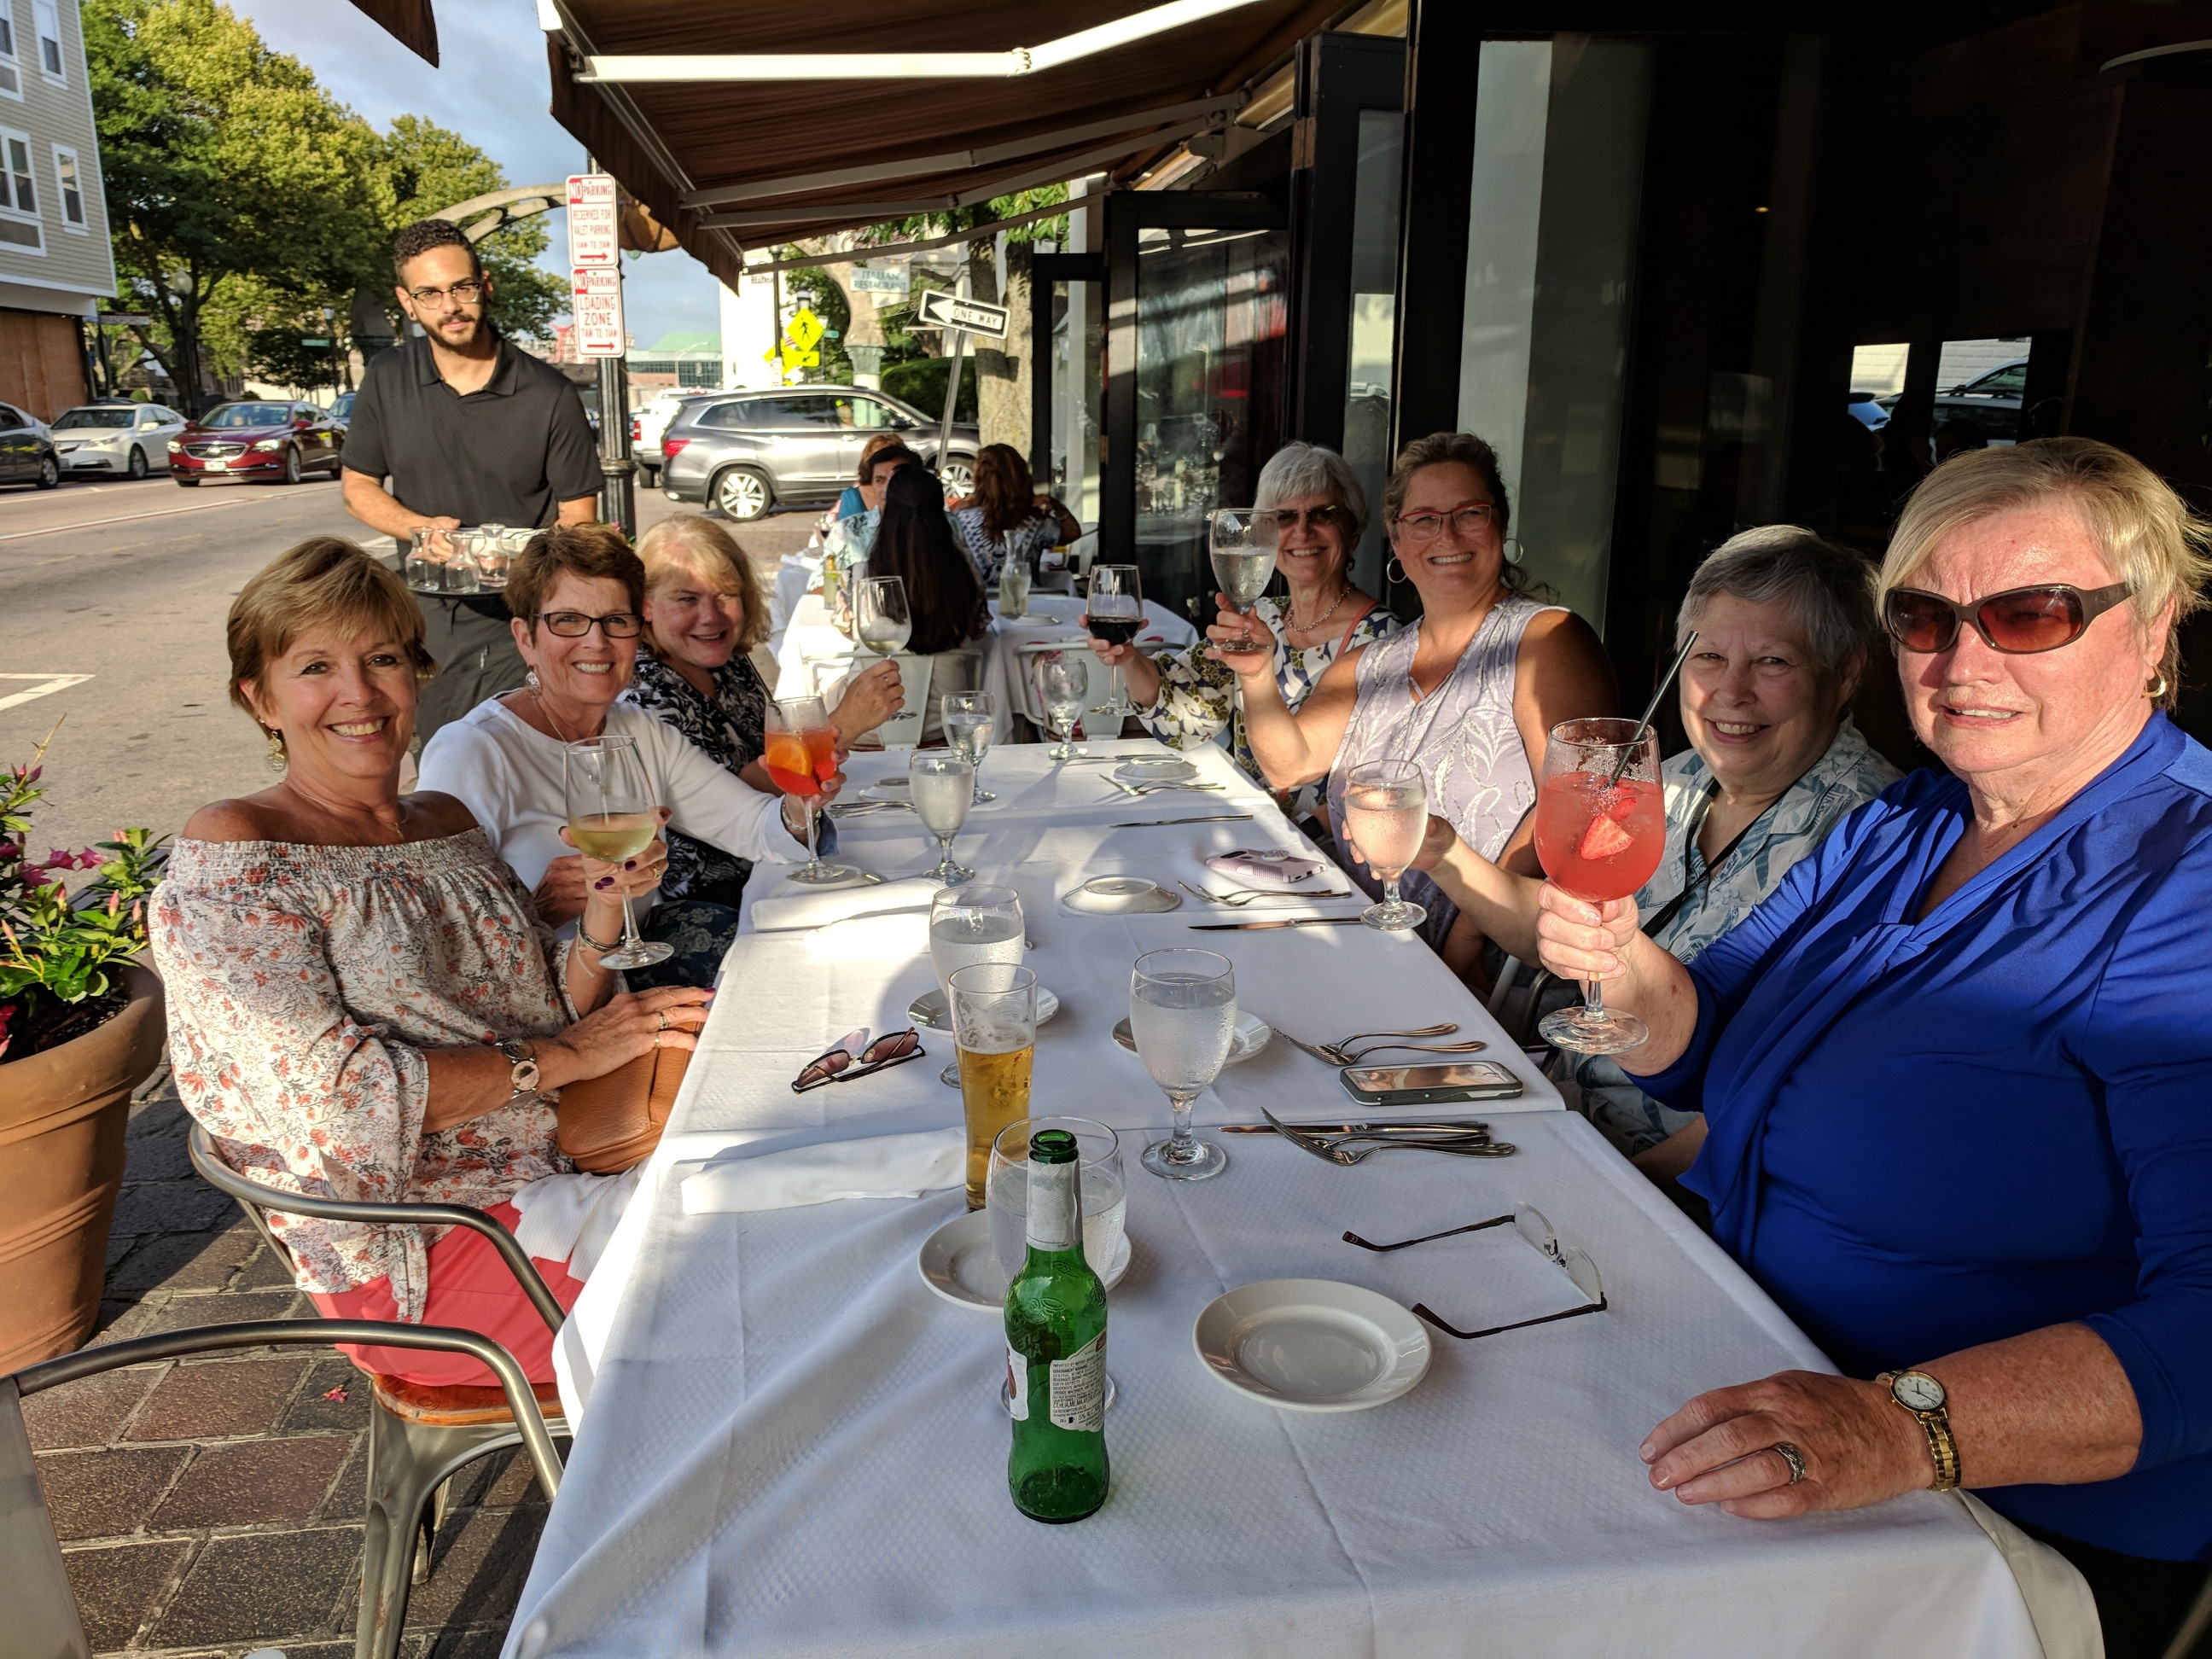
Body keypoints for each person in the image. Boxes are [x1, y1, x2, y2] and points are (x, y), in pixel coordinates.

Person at [1533, 438, 2212, 1657]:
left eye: (2031, 613)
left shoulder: (2187, 886)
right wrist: (1617, 952)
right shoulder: (1912, 819)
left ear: (2153, 626)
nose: (1964, 661)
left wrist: (1900, 1427)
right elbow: (1698, 1043)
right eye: (1926, 617)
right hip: (1739, 1361)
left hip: (1989, 1516)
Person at [150, 538, 706, 1388]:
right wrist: (567, 1056)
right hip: (427, 1248)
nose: (359, 694)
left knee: (794, 1174)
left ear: (416, 676)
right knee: (752, 1281)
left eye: (383, 659)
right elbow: (341, 1102)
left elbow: (540, 1004)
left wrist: (603, 915)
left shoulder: (444, 820)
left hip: (563, 1164)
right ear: (259, 698)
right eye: (316, 668)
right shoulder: (239, 850)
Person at [1380, 525, 1900, 1169]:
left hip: (1658, 1174)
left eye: (1773, 662)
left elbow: (1786, 1096)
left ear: (1845, 674)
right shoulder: (1666, 781)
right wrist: (1443, 854)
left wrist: (1623, 1192)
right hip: (1559, 1111)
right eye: (1708, 657)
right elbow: (1568, 930)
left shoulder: (1877, 839)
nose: (1731, 692)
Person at [1224, 431, 1615, 965]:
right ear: (1397, 539)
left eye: (1469, 513)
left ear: (1500, 524)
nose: (1447, 535)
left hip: (1488, 967)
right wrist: (1255, 676)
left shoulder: (1546, 640)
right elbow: (1286, 764)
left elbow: (1580, 803)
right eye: (1425, 519)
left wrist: (1469, 937)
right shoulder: (1370, 664)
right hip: (1359, 944)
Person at [417, 525, 831, 988]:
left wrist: (802, 804)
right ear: (525, 637)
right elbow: (437, 947)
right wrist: (539, 908)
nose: (597, 642)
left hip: (634, 968)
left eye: (616, 620)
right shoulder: (472, 752)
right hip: (538, 997)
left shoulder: (637, 729)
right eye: (568, 620)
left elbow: (753, 827)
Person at [340, 218, 603, 743]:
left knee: (529, 765)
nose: (450, 306)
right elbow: (358, 488)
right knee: (443, 767)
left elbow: (579, 518)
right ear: (407, 302)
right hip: (425, 623)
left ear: (485, 285)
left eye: (461, 288)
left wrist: (522, 564)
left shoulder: (548, 393)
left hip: (524, 623)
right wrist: (420, 529)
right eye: (430, 294)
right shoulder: (388, 377)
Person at [1088, 441, 1397, 841]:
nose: (1303, 531)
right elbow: (1181, 717)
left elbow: (1383, 778)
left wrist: (1300, 833)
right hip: (1242, 829)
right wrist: (1128, 656)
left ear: (1353, 532)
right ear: (1265, 537)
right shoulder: (1263, 616)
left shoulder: (1383, 638)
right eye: (1285, 517)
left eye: (1324, 514)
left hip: (1323, 848)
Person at [623, 514, 900, 917]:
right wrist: (842, 725)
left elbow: (772, 751)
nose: (711, 616)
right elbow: (734, 804)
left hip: (781, 859)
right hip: (714, 898)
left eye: (726, 594)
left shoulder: (725, 661)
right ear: (646, 604)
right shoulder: (643, 692)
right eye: (687, 599)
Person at [837, 465, 991, 745]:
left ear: (887, 511)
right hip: (946, 722)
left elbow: (851, 630)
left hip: (868, 724)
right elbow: (979, 630)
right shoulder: (964, 571)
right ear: (942, 513)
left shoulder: (862, 575)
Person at [950, 442, 1079, 584]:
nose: (972, 478)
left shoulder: (961, 520)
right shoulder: (1037, 521)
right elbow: (1073, 533)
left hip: (977, 597)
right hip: (1027, 596)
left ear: (979, 480)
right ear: (1022, 477)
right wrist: (1055, 505)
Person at [824, 441, 921, 569]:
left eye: (896, 479)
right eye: (880, 480)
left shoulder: (942, 524)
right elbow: (824, 579)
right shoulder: (847, 530)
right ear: (871, 485)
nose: (887, 488)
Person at [834, 432, 906, 523]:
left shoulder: (911, 494)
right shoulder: (852, 498)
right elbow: (843, 530)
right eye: (880, 459)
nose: (886, 467)